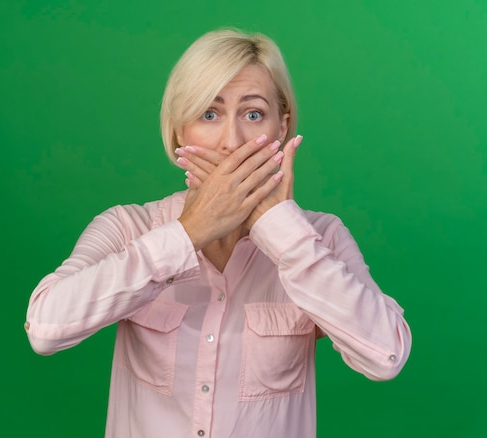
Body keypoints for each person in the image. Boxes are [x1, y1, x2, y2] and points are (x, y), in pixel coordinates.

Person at [25, 28, 411, 438]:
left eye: (253, 114)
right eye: (209, 114)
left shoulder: (322, 236)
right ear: (178, 133)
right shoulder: (127, 226)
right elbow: (46, 330)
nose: (231, 142)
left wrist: (282, 232)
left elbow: (386, 356)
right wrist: (187, 234)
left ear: (282, 127)